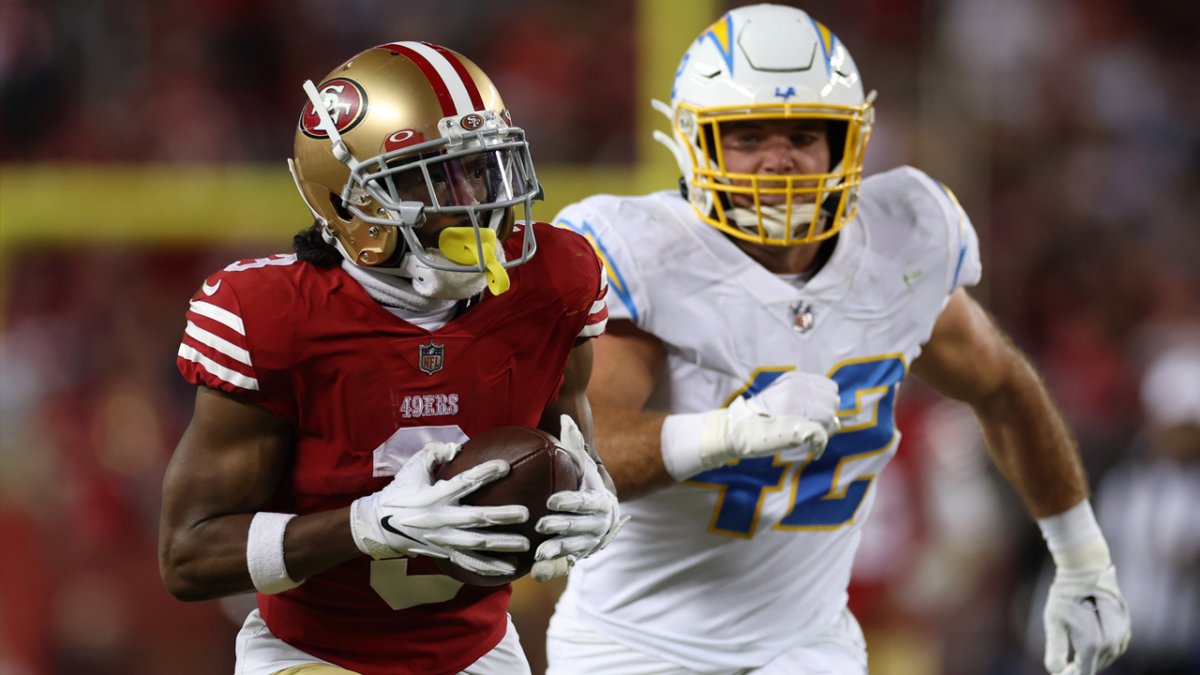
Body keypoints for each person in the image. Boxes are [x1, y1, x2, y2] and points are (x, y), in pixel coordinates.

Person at [545, 5, 1131, 675]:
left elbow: (1004, 386)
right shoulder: (647, 254)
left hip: (807, 644)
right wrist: (728, 433)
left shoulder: (900, 244)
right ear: (693, 142)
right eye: (747, 136)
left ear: (847, 143)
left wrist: (1083, 559)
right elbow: (584, 452)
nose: (778, 162)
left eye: (805, 135)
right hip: (635, 645)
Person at [158, 41, 624, 675]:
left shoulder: (556, 281)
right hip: (313, 652)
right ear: (353, 203)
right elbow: (187, 557)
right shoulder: (270, 315)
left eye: (480, 170)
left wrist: (593, 498)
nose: (475, 205)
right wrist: (366, 525)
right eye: (431, 179)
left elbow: (567, 448)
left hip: (481, 649)